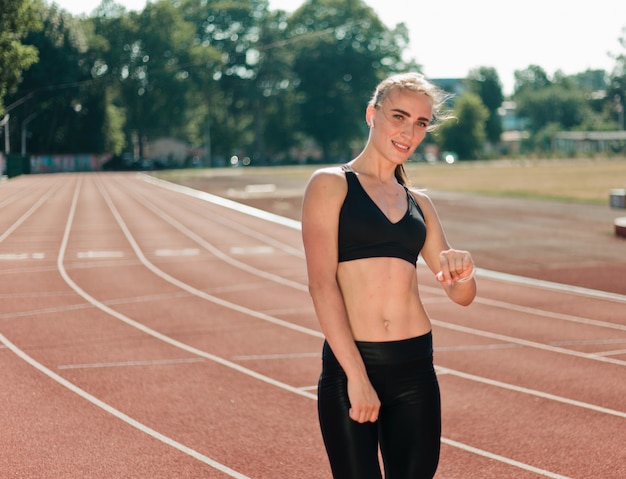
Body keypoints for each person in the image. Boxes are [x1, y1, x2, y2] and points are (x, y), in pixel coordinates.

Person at [301, 72, 477, 479]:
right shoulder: (331, 184)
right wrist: (357, 378)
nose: (409, 132)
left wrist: (463, 272)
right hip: (352, 367)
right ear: (372, 115)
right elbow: (321, 285)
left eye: (420, 123)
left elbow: (462, 296)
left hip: (416, 368)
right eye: (399, 117)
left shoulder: (420, 203)